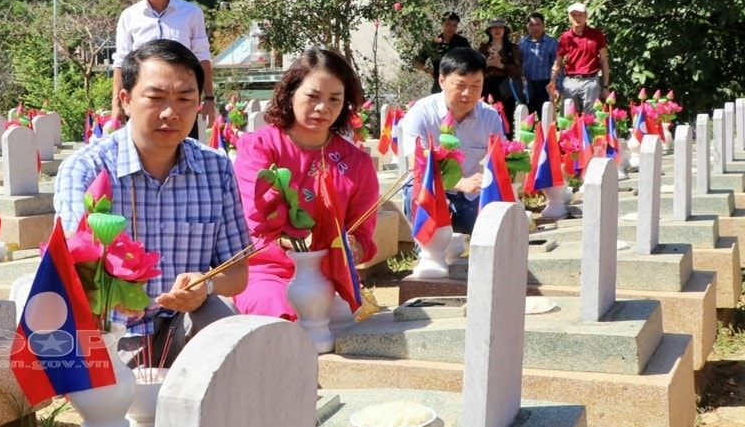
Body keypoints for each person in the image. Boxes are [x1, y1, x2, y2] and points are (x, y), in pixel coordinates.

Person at [58, 38, 249, 367]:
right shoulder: (87, 169)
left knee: (228, 327)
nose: (171, 113)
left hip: (185, 321)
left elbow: (237, 271)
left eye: (185, 98)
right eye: (156, 97)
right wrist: (117, 295)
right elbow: (74, 268)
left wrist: (205, 286)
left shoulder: (216, 169)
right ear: (126, 100)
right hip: (109, 329)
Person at [232, 49, 380, 319]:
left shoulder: (357, 162)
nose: (323, 108)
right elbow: (257, 219)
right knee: (281, 321)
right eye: (313, 96)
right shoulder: (260, 147)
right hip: (266, 272)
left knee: (346, 324)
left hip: (331, 278)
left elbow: (364, 234)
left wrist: (352, 246)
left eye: (335, 99)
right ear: (291, 93)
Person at [398, 48, 506, 236]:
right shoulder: (421, 113)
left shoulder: (489, 117)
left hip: (469, 195)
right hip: (427, 190)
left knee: (494, 230)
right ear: (442, 81)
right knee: (419, 199)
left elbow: (499, 162)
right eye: (460, 85)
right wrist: (460, 183)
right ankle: (427, 254)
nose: (468, 93)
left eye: (476, 86)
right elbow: (417, 167)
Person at [111, 0, 216, 132]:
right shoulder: (129, 16)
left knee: (185, 153)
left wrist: (209, 98)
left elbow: (202, 56)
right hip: (144, 102)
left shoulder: (191, 13)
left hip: (181, 104)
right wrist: (115, 105)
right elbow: (121, 62)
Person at [551, 1, 611, 112]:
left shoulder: (596, 35)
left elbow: (604, 61)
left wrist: (605, 86)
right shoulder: (565, 37)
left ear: (586, 16)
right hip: (570, 82)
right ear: (569, 17)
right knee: (569, 118)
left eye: (580, 15)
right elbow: (557, 64)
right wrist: (552, 84)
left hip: (591, 81)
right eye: (573, 15)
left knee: (592, 118)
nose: (577, 18)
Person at [480, 18, 523, 128]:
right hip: (487, 86)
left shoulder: (512, 48)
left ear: (505, 30)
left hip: (506, 86)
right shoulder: (484, 48)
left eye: (500, 27)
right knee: (485, 117)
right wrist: (488, 64)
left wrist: (501, 65)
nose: (497, 30)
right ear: (490, 31)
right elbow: (476, 67)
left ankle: (506, 144)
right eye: (494, 27)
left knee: (506, 118)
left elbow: (518, 69)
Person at [413, 12, 470, 93]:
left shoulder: (462, 42)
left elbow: (471, 60)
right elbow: (416, 61)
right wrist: (426, 69)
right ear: (442, 24)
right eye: (448, 24)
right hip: (440, 84)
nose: (451, 27)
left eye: (454, 25)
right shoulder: (433, 43)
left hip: (458, 83)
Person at [518, 12, 559, 114]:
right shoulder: (522, 44)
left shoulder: (552, 43)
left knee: (546, 118)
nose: (534, 28)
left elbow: (558, 66)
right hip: (527, 86)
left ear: (543, 25)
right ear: (527, 26)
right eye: (531, 25)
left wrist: (558, 87)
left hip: (545, 86)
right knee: (526, 120)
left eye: (538, 24)